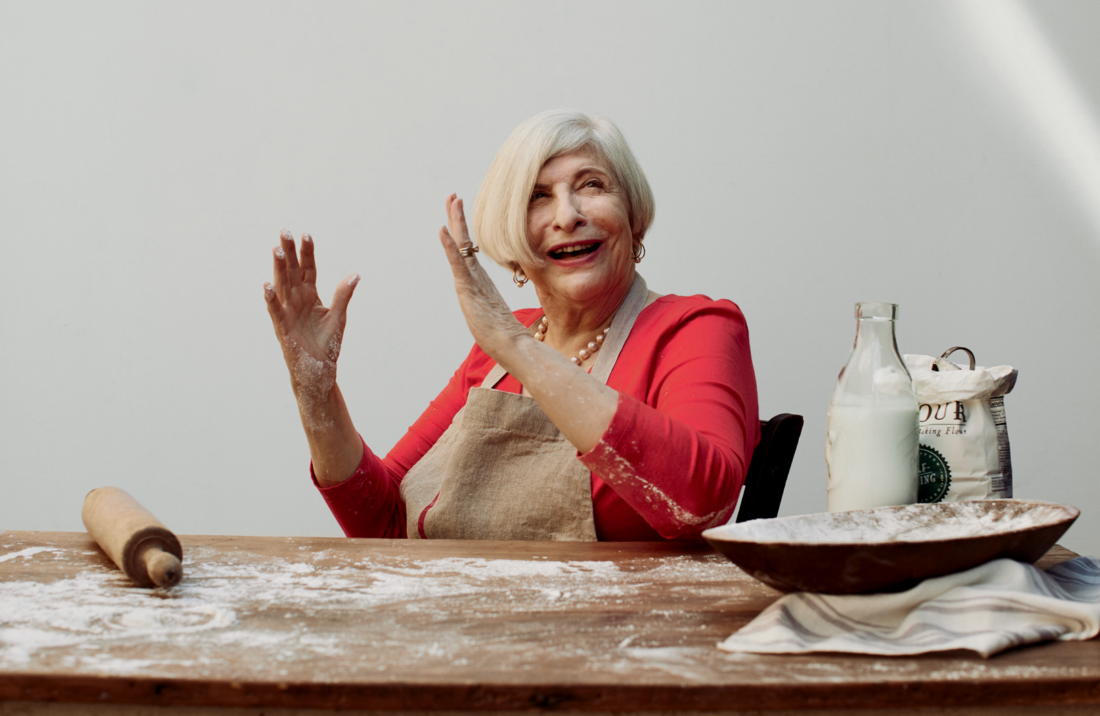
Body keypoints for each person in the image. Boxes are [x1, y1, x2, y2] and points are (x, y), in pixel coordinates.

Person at [264, 109, 759, 541]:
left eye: (591, 185)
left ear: (634, 218)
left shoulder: (694, 328)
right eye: (537, 196)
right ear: (513, 236)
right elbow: (386, 523)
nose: (567, 215)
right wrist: (316, 392)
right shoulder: (496, 351)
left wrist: (514, 345)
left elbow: (702, 504)